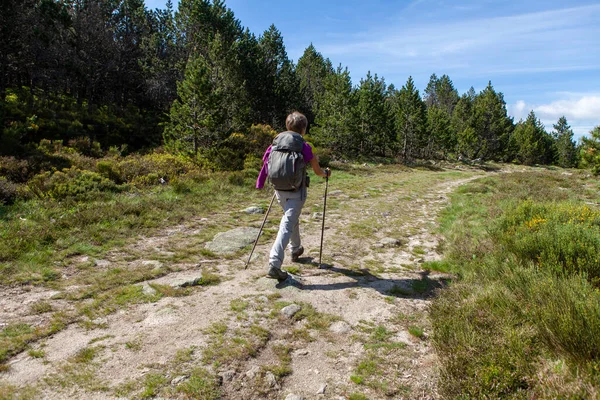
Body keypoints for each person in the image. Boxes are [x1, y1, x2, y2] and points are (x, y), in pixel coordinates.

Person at [256, 111, 330, 281]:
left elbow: (265, 166)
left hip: (279, 190)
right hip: (297, 191)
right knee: (287, 223)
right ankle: (274, 263)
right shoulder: (305, 146)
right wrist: (326, 174)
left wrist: (260, 183)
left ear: (287, 126)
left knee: (291, 219)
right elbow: (318, 171)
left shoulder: (274, 145)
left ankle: (295, 248)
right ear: (303, 129)